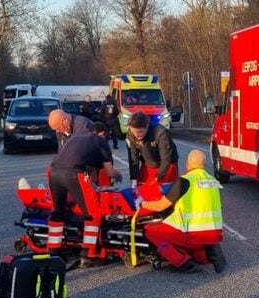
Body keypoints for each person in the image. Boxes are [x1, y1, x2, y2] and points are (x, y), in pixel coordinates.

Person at [138, 149, 227, 273]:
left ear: (187, 163)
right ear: (205, 165)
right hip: (213, 232)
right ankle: (208, 252)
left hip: (191, 232)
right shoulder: (212, 181)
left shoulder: (185, 180)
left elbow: (160, 206)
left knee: (150, 231)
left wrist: (142, 203)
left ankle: (183, 263)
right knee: (193, 243)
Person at [47, 132, 122, 268]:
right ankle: (88, 255)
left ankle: (53, 252)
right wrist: (118, 175)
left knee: (57, 211)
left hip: (53, 172)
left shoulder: (75, 138)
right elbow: (110, 172)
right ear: (104, 135)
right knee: (92, 214)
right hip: (74, 173)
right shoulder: (101, 142)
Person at [126, 111, 178, 185]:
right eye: (134, 132)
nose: (136, 135)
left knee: (163, 190)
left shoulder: (160, 133)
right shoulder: (131, 135)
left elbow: (166, 159)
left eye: (140, 131)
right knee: (141, 187)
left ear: (147, 126)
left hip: (167, 164)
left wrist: (157, 177)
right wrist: (134, 178)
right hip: (148, 162)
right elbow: (133, 158)